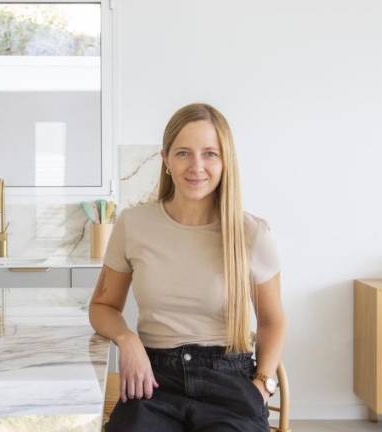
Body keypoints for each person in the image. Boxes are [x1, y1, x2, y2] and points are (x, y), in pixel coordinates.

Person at [89, 102, 285, 431]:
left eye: (210, 153)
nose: (197, 166)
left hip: (229, 382)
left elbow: (272, 320)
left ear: (225, 161)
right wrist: (127, 339)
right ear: (166, 160)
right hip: (153, 381)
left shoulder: (252, 233)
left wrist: (263, 385)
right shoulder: (133, 224)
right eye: (183, 153)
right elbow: (102, 306)